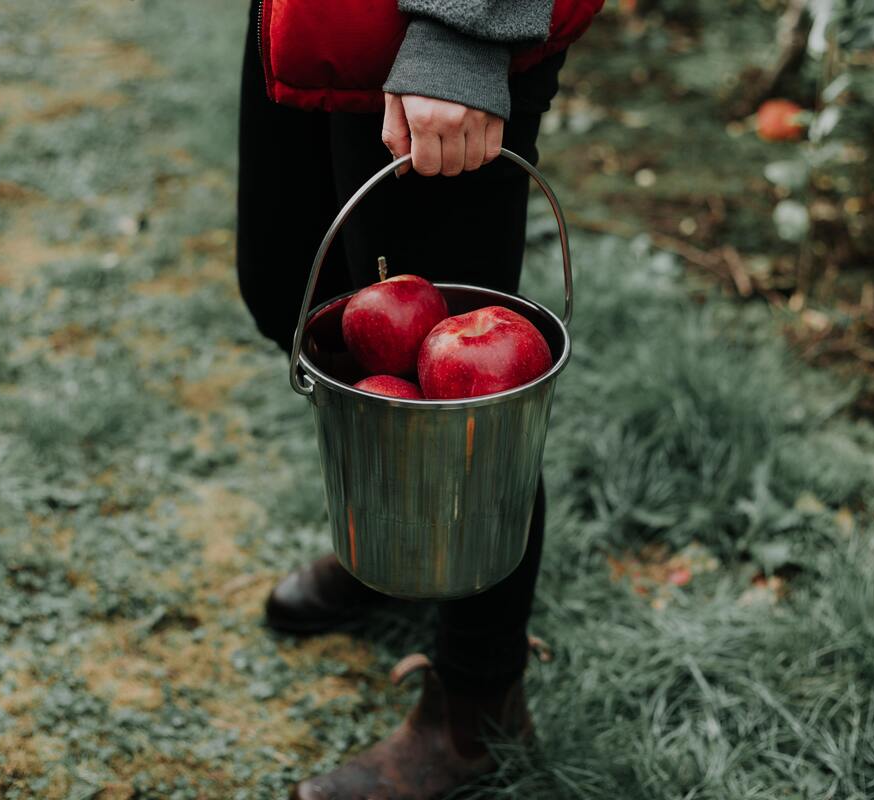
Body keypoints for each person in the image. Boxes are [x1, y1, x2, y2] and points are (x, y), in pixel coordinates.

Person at [235, 2, 595, 797]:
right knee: (292, 284)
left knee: (463, 409)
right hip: (318, 26)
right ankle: (397, 540)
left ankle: (477, 702)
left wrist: (464, 33)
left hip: (431, 33)